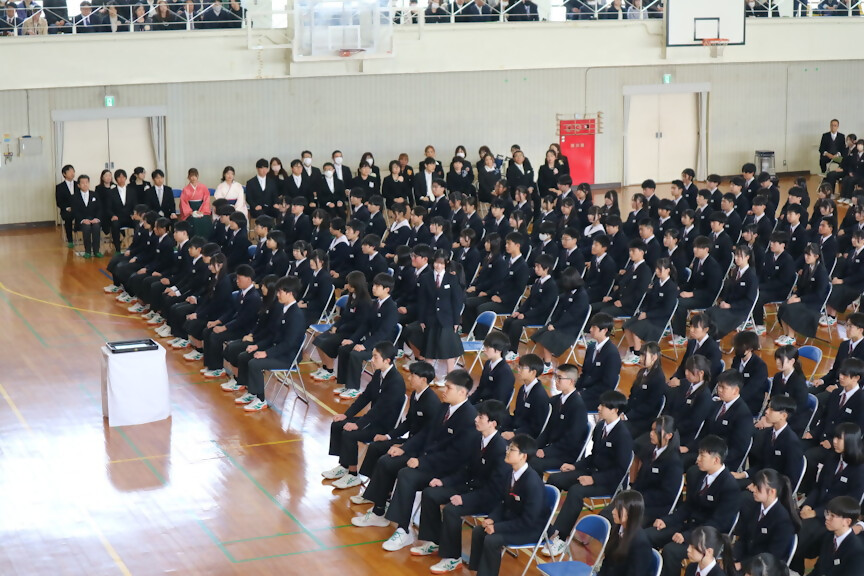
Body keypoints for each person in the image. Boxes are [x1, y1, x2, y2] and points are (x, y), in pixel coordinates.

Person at [351, 370, 479, 553]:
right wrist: (405, 448)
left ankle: (403, 530)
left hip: (445, 470)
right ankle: (379, 511)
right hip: (427, 458)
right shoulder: (445, 407)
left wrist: (421, 462)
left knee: (406, 475)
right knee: (387, 461)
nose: (443, 390)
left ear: (462, 392)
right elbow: (426, 433)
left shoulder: (469, 418)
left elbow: (456, 456)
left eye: (448, 387)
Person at [412, 399, 510, 574]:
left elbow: (494, 489)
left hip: (488, 498)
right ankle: (434, 541)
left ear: (493, 423)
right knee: (430, 493)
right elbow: (465, 470)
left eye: (481, 417)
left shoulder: (500, 449)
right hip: (471, 488)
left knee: (452, 510)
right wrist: (444, 482)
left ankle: (452, 558)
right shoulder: (477, 439)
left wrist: (464, 499)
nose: (476, 419)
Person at [543, 390, 633, 558]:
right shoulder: (600, 427)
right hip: (592, 471)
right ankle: (544, 526)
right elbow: (593, 456)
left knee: (576, 491)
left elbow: (620, 470)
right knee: (555, 479)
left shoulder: (623, 435)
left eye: (603, 406)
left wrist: (593, 479)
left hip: (609, 481)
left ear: (615, 410)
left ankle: (560, 537)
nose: (598, 408)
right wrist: (575, 466)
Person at [649, 436, 740, 576]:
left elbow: (718, 524)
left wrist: (688, 536)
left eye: (702, 456)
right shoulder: (696, 474)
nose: (697, 459)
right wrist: (667, 521)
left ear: (716, 460)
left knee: (671, 551)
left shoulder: (730, 486)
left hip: (706, 538)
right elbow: (688, 506)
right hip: (688, 526)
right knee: (648, 535)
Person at [321, 341, 407, 485]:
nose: (372, 360)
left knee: (349, 433)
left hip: (383, 426)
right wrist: (346, 415)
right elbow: (366, 396)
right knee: (337, 424)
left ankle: (353, 474)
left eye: (375, 357)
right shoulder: (378, 373)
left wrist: (359, 425)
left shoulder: (396, 382)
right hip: (373, 420)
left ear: (387, 360)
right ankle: (344, 466)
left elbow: (380, 409)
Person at [354, 361, 441, 493]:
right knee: (375, 446)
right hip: (411, 441)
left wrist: (404, 448)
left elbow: (426, 434)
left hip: (421, 448)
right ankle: (371, 485)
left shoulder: (431, 402)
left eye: (413, 375)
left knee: (386, 460)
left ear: (423, 380)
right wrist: (388, 436)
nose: (409, 378)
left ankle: (381, 494)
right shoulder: (415, 395)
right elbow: (408, 422)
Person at [467, 433, 546, 576]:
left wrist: (497, 527)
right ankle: (478, 571)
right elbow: (503, 503)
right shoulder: (510, 474)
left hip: (530, 529)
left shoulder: (532, 482)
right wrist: (492, 518)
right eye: (508, 448)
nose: (507, 451)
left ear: (523, 456)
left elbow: (528, 521)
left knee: (492, 539)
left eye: (512, 449)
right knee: (479, 531)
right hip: (514, 521)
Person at [794, 424, 864, 573]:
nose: (834, 441)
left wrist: (817, 513)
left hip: (832, 516)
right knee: (790, 523)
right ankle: (793, 567)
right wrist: (807, 505)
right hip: (814, 508)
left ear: (851, 441)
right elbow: (818, 486)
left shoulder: (859, 470)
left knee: (801, 535)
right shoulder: (832, 457)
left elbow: (850, 504)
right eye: (835, 437)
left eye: (839, 438)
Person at [682, 370, 755, 473]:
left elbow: (738, 449)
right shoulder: (716, 405)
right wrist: (689, 448)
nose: (719, 390)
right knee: (677, 459)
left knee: (692, 471)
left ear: (735, 390)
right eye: (718, 386)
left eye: (723, 387)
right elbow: (704, 433)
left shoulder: (743, 415)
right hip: (705, 453)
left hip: (722, 461)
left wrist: (714, 460)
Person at [410, 249, 464, 380]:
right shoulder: (425, 277)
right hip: (430, 318)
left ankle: (450, 376)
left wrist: (456, 321)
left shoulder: (452, 278)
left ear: (446, 264)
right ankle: (427, 376)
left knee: (448, 349)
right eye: (436, 263)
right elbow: (422, 300)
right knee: (429, 349)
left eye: (441, 263)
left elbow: (456, 302)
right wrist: (421, 319)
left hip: (447, 319)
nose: (438, 266)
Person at [199, 264, 260, 378]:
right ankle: (210, 364)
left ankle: (217, 368)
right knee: (208, 330)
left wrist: (224, 327)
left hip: (244, 330)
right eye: (236, 278)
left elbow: (242, 320)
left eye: (239, 278)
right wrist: (218, 321)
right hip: (236, 325)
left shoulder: (253, 297)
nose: (237, 281)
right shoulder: (241, 293)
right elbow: (231, 311)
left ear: (248, 279)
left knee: (216, 336)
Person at [310, 271, 371, 383]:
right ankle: (325, 367)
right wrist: (335, 326)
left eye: (349, 284)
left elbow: (360, 324)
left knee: (326, 343)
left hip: (352, 333)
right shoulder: (351, 296)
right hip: (343, 328)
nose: (347, 286)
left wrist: (340, 328)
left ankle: (329, 370)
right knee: (317, 339)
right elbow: (344, 316)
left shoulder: (365, 302)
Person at [733, 469, 800, 570]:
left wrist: (742, 565)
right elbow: (743, 538)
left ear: (772, 492)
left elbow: (772, 557)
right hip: (746, 560)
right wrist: (732, 557)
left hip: (763, 568)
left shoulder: (783, 520)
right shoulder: (754, 507)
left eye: (758, 488)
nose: (753, 489)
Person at [528, 363, 588, 474]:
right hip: (553, 448)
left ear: (571, 381)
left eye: (559, 378)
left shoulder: (578, 406)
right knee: (523, 453)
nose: (556, 381)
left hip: (566, 454)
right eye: (555, 377)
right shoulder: (556, 400)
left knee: (533, 463)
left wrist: (546, 452)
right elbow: (548, 430)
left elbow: (572, 440)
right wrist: (534, 446)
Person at [735, 396, 804, 492]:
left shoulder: (792, 442)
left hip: (773, 489)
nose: (766, 412)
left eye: (771, 410)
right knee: (730, 483)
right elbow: (762, 464)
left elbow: (790, 479)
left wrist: (761, 488)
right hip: (761, 479)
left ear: (783, 416)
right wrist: (742, 474)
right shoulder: (767, 433)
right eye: (768, 408)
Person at [530, 267, 589, 375]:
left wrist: (556, 326)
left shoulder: (582, 296)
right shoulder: (568, 292)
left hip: (571, 328)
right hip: (560, 323)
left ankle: (548, 364)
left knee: (547, 337)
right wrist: (552, 322)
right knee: (541, 333)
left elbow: (572, 316)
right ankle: (545, 360)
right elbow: (559, 309)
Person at [627, 416, 684, 527]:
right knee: (613, 510)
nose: (651, 434)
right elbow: (640, 478)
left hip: (656, 507)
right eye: (652, 430)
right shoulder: (649, 450)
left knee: (626, 519)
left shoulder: (674, 461)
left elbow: (667, 495)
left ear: (669, 436)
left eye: (656, 431)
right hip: (640, 499)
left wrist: (640, 499)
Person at [622, 257, 678, 364]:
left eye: (659, 269)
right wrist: (643, 309)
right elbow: (648, 301)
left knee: (636, 330)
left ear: (667, 270)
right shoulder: (656, 283)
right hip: (648, 315)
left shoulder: (671, 287)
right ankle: (633, 351)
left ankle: (638, 355)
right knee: (627, 326)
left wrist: (647, 315)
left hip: (659, 320)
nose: (657, 271)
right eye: (656, 268)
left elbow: (666, 310)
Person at [501, 254, 557, 360]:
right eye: (535, 266)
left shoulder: (551, 285)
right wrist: (519, 311)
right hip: (529, 313)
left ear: (546, 268)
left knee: (516, 324)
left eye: (538, 267)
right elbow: (529, 300)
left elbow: (543, 307)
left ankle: (513, 351)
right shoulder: (537, 281)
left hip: (539, 316)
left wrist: (525, 315)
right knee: (509, 321)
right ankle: (503, 347)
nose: (536, 269)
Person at [775, 243, 830, 345]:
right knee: (784, 305)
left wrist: (800, 299)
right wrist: (795, 295)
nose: (806, 257)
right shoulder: (806, 268)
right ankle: (786, 334)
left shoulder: (821, 272)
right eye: (805, 254)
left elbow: (819, 295)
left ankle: (791, 337)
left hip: (813, 303)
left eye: (809, 255)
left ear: (816, 256)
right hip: (803, 298)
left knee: (791, 308)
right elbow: (801, 287)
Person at [704, 245, 759, 340]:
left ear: (747, 257)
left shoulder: (751, 276)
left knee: (717, 317)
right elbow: (728, 290)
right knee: (709, 312)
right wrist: (723, 301)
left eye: (739, 256)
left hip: (740, 310)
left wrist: (731, 306)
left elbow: (749, 300)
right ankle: (706, 338)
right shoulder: (735, 271)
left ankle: (714, 339)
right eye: (736, 255)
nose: (736, 258)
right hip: (729, 305)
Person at [596, 491, 655, 576]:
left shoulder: (641, 543)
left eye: (618, 508)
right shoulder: (617, 528)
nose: (613, 511)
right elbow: (607, 562)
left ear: (630, 512)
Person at [592, 240, 652, 319]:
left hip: (629, 307)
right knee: (593, 307)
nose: (630, 253)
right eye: (630, 251)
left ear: (641, 252)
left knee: (603, 312)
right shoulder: (630, 268)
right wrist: (611, 297)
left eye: (633, 251)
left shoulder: (645, 270)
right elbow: (621, 287)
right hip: (617, 301)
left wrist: (623, 302)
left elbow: (639, 293)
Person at [575, 313, 621, 412]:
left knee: (571, 406)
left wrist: (582, 394)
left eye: (594, 327)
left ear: (604, 330)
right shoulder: (591, 347)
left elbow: (608, 385)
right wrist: (573, 389)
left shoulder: (612, 354)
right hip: (584, 392)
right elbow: (584, 374)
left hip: (597, 398)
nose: (590, 330)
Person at [760, 345, 810, 436]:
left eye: (781, 359)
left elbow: (798, 409)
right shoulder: (777, 377)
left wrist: (773, 421)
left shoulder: (799, 382)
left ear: (792, 361)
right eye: (777, 358)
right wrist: (765, 416)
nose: (777, 362)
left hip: (792, 422)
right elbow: (772, 400)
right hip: (776, 416)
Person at [810, 496, 864, 576]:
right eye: (827, 513)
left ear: (847, 522)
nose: (827, 518)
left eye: (832, 516)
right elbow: (818, 569)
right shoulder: (828, 537)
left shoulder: (857, 552)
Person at [623, 341, 667, 437]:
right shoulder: (642, 372)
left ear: (654, 357)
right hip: (632, 412)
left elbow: (649, 407)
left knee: (618, 429)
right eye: (641, 355)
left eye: (644, 356)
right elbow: (632, 396)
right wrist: (623, 412)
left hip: (643, 420)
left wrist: (627, 416)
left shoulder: (658, 378)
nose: (641, 359)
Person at [504, 354, 551, 440]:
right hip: (516, 428)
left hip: (526, 437)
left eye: (522, 368)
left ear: (533, 372)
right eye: (519, 367)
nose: (518, 370)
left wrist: (515, 434)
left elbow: (536, 428)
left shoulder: (539, 396)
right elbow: (517, 415)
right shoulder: (523, 388)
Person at [668, 313, 723, 388]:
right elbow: (683, 365)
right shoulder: (692, 342)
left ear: (706, 329)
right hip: (687, 380)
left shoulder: (713, 349)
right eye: (691, 326)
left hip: (699, 387)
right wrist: (675, 377)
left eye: (695, 327)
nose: (691, 330)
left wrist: (681, 382)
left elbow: (706, 376)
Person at [467, 331, 515, 405]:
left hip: (491, 408)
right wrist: (467, 403)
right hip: (482, 403)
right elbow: (480, 389)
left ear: (498, 350)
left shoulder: (505, 372)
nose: (484, 350)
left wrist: (474, 408)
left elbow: (499, 402)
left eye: (488, 348)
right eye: (485, 347)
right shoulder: (488, 363)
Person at [730, 331, 769, 417]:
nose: (738, 349)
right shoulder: (736, 359)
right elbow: (732, 378)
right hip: (734, 396)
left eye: (741, 346)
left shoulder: (760, 366)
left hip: (751, 402)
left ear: (750, 348)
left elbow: (751, 390)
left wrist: (732, 400)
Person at [71, 174, 103, 258]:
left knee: (96, 227)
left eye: (87, 182)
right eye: (82, 183)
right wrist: (83, 220)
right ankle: (87, 251)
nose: (85, 184)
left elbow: (99, 208)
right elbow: (75, 211)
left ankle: (96, 251)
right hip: (82, 221)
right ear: (78, 185)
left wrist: (96, 219)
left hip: (94, 219)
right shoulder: (74, 197)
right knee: (86, 227)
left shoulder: (95, 194)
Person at [179, 168, 212, 239]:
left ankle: (206, 240)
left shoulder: (203, 187)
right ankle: (193, 240)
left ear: (198, 176)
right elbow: (183, 202)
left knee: (206, 220)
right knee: (193, 221)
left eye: (195, 176)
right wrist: (191, 212)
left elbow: (206, 200)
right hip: (190, 211)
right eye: (191, 176)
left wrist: (202, 211)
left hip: (202, 210)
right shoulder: (185, 189)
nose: (193, 178)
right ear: (188, 177)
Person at [56, 164, 77, 247]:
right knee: (68, 218)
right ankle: (70, 240)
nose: (72, 173)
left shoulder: (78, 184)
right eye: (70, 171)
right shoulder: (60, 187)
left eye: (73, 171)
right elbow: (59, 202)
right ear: (64, 174)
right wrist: (67, 208)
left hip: (78, 209)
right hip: (67, 210)